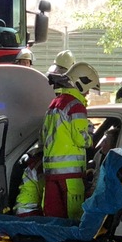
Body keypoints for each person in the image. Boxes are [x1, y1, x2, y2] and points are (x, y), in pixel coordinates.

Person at [41, 61, 99, 222]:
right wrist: (90, 134)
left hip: (50, 173)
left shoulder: (54, 103)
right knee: (73, 221)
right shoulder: (76, 106)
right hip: (70, 175)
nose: (87, 93)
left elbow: (44, 135)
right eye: (88, 89)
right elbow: (81, 139)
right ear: (80, 82)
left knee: (53, 220)